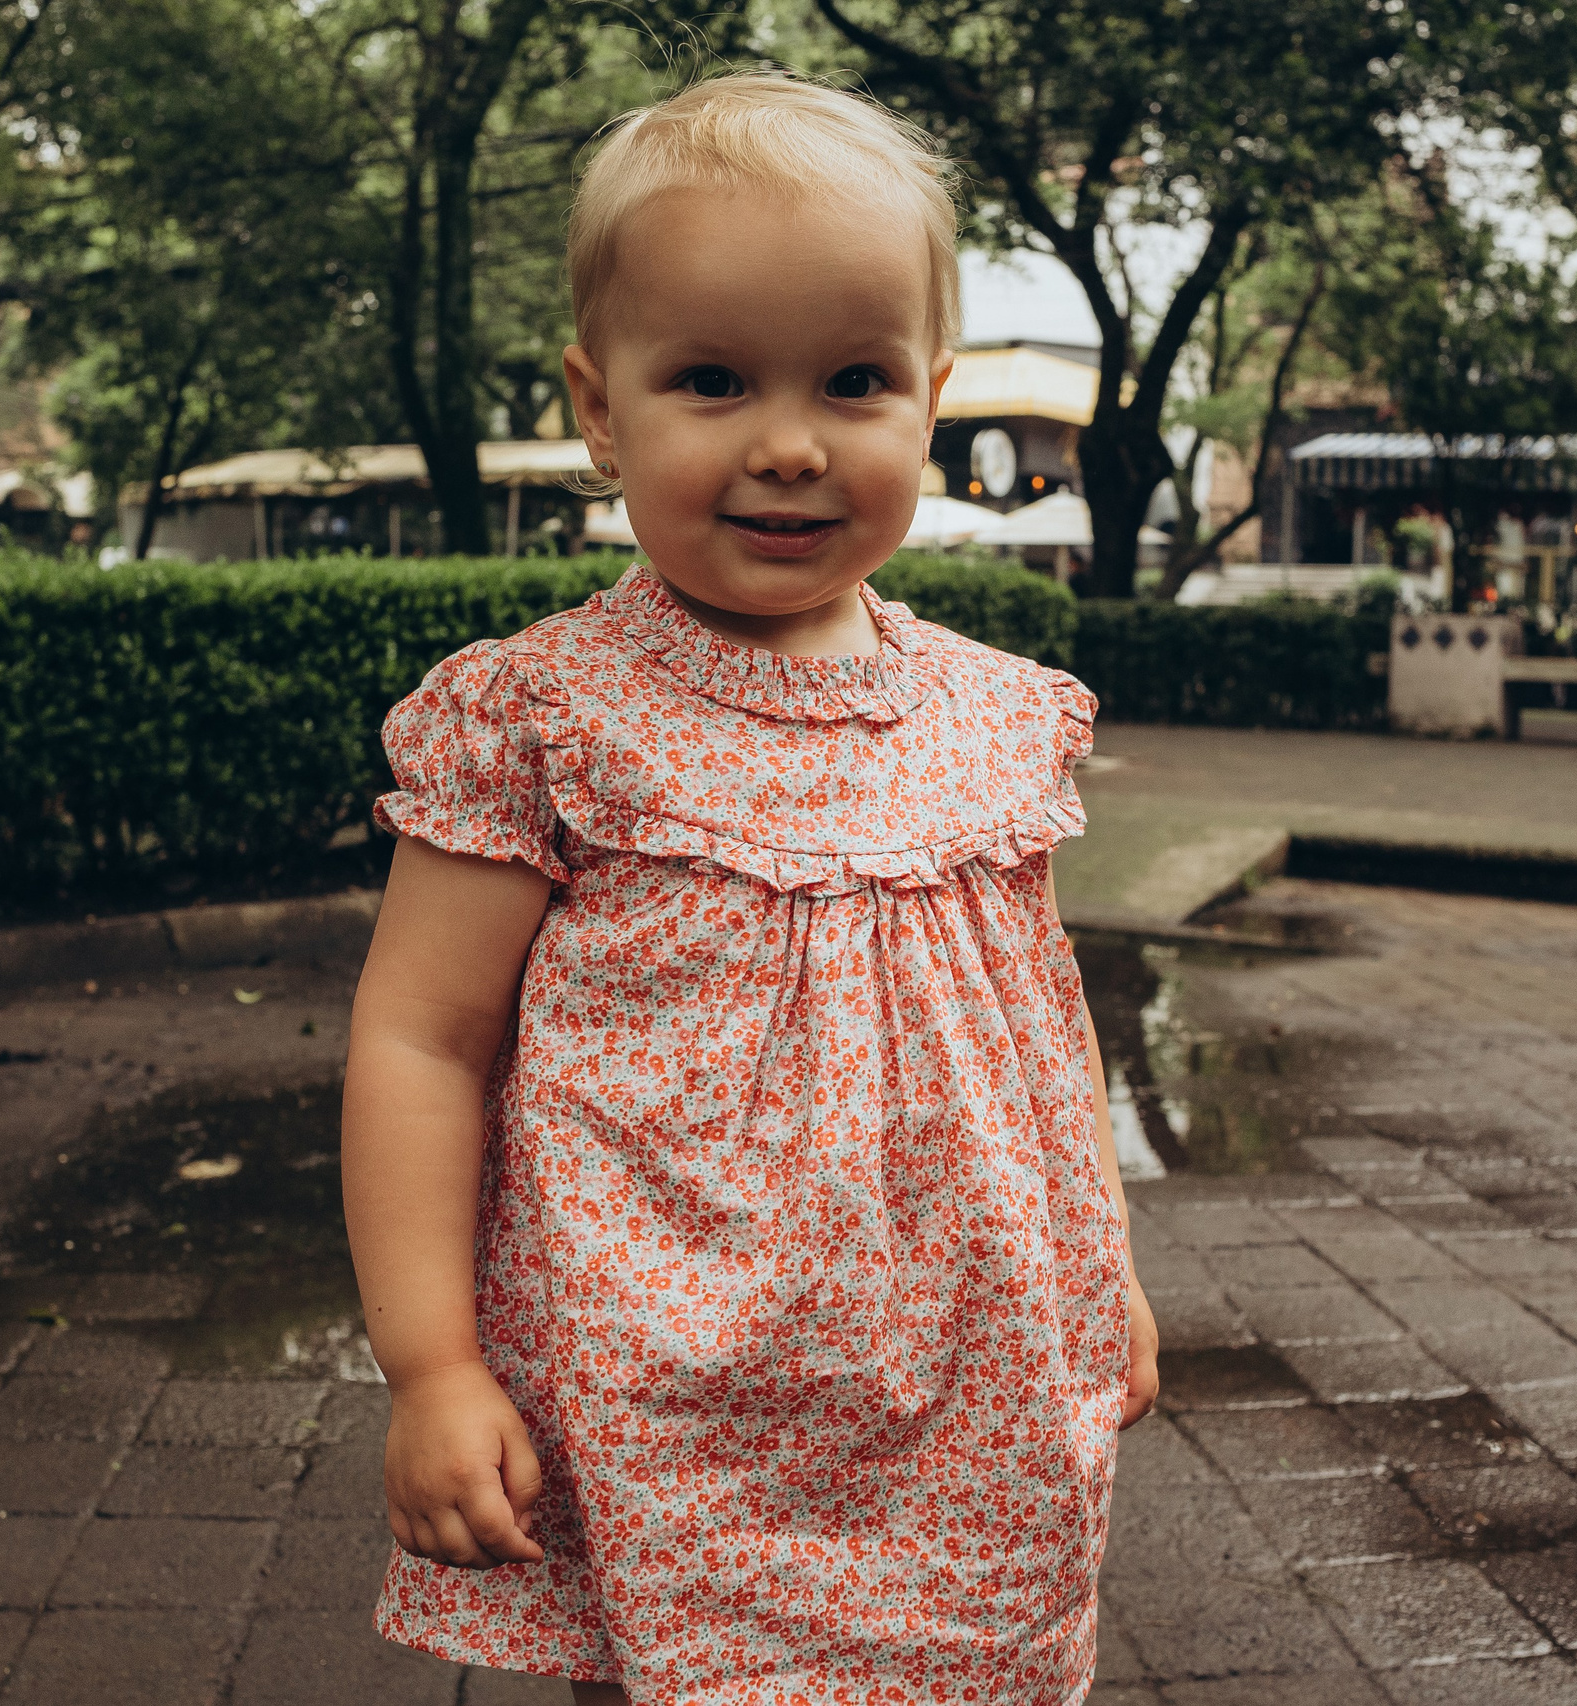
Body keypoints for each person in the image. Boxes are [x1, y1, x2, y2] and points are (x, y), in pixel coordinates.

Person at [341, 70, 1159, 1705]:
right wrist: (431, 1363)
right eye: (711, 380)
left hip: (965, 1395)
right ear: (599, 407)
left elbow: (1041, 1021)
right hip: (664, 1394)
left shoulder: (997, 715)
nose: (789, 444)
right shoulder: (547, 714)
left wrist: (1111, 1257)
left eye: (853, 382)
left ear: (929, 399)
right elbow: (423, 1040)